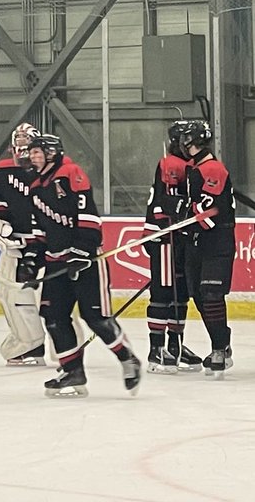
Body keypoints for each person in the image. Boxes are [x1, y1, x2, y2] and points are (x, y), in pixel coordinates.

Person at [26, 133, 141, 399]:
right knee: (53, 317)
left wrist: (82, 249)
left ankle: (127, 359)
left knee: (96, 318)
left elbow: (87, 215)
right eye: (31, 152)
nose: (32, 156)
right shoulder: (35, 186)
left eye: (37, 151)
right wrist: (32, 259)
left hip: (85, 261)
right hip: (57, 263)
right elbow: (39, 229)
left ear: (52, 152)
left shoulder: (71, 172)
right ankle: (72, 371)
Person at [0, 122, 47, 365]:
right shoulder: (0, 171)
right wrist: (3, 231)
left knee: (47, 300)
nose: (21, 142)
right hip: (16, 245)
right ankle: (30, 344)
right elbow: (0, 211)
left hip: (46, 243)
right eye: (18, 138)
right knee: (10, 294)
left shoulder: (50, 170)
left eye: (27, 138)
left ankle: (48, 346)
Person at [178, 118, 237, 376]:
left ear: (191, 142)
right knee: (200, 296)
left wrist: (186, 215)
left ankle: (219, 348)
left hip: (217, 241)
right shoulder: (195, 168)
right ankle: (222, 341)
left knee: (211, 293)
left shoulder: (212, 169)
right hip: (199, 242)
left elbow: (210, 212)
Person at [144, 120, 202, 373]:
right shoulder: (171, 164)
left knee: (180, 293)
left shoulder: (187, 165)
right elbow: (165, 203)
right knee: (163, 293)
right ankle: (156, 350)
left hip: (180, 238)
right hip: (164, 238)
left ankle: (175, 345)